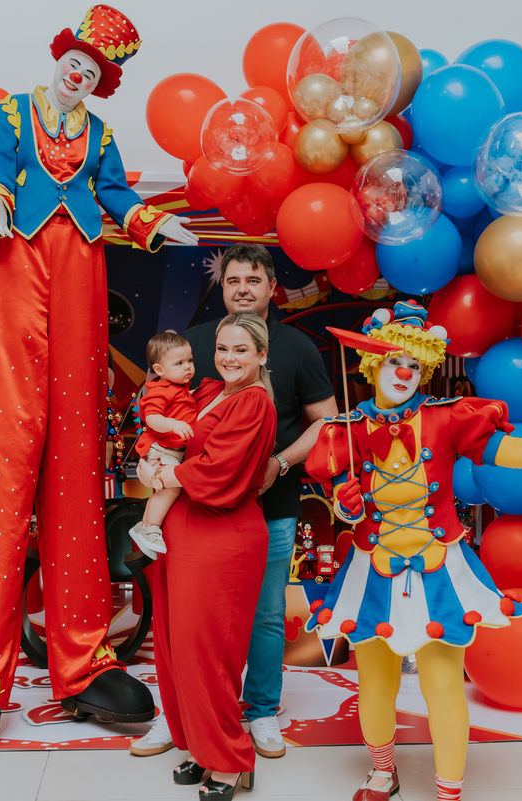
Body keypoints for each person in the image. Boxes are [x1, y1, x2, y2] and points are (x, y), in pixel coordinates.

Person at [0, 6, 200, 751]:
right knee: (7, 461)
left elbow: (116, 195)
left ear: (100, 84)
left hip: (83, 269)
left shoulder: (99, 135)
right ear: (61, 56)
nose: (79, 74)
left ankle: (82, 660)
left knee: (75, 465)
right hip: (23, 264)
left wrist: (151, 223)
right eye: (76, 60)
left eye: (93, 71)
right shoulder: (13, 113)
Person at [305, 301, 522, 801]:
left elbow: (506, 453)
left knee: (442, 682)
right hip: (371, 571)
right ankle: (383, 772)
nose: (403, 372)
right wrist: (347, 504)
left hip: (438, 568)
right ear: (372, 366)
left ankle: (449, 789)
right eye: (392, 361)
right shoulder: (348, 431)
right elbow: (345, 503)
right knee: (374, 681)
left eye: (412, 365)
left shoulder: (446, 419)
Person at [131, 243, 337, 759]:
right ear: (221, 289)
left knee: (266, 614)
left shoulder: (296, 346)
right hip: (195, 505)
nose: (242, 289)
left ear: (272, 286)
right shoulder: (197, 342)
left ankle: (262, 710)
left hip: (271, 503)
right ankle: (177, 714)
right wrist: (149, 457)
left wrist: (279, 463)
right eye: (232, 281)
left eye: (252, 279)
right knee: (185, 617)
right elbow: (157, 401)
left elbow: (326, 419)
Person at [136, 311, 278, 799]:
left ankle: (231, 760)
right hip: (183, 533)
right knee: (178, 649)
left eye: (241, 350)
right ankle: (202, 747)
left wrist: (163, 476)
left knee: (209, 654)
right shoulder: (206, 390)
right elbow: (162, 434)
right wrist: (146, 457)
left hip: (222, 536)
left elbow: (218, 471)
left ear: (262, 354)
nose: (229, 358)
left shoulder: (254, 402)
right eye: (222, 348)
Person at [129, 332, 197, 557]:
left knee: (167, 489)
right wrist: (173, 424)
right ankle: (150, 528)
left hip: (173, 450)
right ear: (159, 370)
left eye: (190, 360)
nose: (187, 367)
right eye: (179, 363)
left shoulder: (180, 389)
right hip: (161, 448)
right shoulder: (159, 390)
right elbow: (152, 419)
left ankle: (144, 527)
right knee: (170, 488)